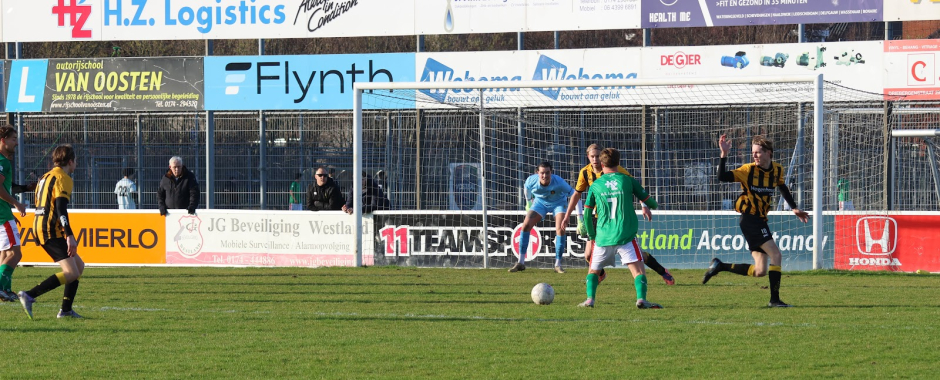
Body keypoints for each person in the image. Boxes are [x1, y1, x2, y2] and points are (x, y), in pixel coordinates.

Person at [702, 135, 809, 308]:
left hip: (760, 220)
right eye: (753, 153)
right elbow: (721, 176)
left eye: (758, 153)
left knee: (760, 271)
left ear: (768, 153)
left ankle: (720, 266)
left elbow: (782, 187)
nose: (755, 156)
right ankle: (774, 300)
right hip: (750, 219)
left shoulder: (777, 170)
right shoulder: (748, 170)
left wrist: (794, 207)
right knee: (776, 255)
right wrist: (724, 154)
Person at [561, 144, 675, 285]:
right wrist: (567, 216)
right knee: (588, 255)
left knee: (639, 256)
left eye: (597, 156)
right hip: (598, 218)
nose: (595, 159)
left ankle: (663, 271)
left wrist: (644, 205)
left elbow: (635, 186)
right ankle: (600, 275)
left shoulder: (615, 169)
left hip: (618, 218)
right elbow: (576, 195)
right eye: (592, 156)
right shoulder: (584, 172)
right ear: (588, 157)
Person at [578, 148, 661, 309]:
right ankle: (641, 300)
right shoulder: (627, 180)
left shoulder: (595, 185)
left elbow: (587, 214)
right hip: (625, 235)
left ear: (601, 164)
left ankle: (590, 300)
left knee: (593, 271)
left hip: (602, 236)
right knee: (638, 272)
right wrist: (650, 203)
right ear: (619, 162)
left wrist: (592, 235)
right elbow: (652, 204)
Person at [18, 145, 85, 319]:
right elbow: (62, 209)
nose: (75, 164)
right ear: (70, 161)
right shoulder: (64, 178)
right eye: (75, 160)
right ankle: (29, 295)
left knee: (79, 266)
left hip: (40, 225)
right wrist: (69, 235)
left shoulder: (45, 177)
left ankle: (66, 310)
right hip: (49, 230)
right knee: (71, 272)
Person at [509, 161, 574, 274]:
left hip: (558, 203)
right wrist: (529, 203)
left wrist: (579, 217)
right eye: (542, 173)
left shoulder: (558, 181)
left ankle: (558, 264)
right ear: (537, 172)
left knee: (560, 229)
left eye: (547, 173)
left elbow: (573, 193)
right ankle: (520, 262)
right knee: (525, 226)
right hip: (540, 203)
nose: (545, 176)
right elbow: (526, 188)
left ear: (551, 172)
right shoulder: (531, 180)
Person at [0, 126, 34, 302]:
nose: (16, 142)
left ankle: (5, 290)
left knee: (5, 253)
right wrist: (16, 203)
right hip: (2, 215)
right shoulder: (2, 161)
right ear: (3, 140)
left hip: (4, 214)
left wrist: (26, 188)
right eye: (13, 139)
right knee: (16, 253)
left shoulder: (4, 161)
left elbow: (7, 186)